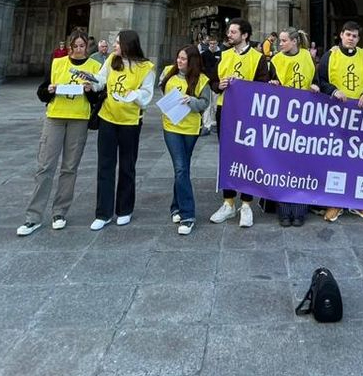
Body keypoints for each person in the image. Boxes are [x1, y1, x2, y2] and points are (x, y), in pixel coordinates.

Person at [17, 30, 103, 235]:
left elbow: (99, 98)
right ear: (69, 46)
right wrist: (50, 90)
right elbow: (41, 91)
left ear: (86, 47)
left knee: (69, 168)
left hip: (79, 119)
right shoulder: (57, 63)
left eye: (82, 46)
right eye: (75, 46)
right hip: (55, 117)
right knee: (45, 166)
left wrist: (91, 91)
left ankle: (60, 212)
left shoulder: (95, 67)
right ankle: (33, 216)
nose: (78, 49)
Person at [92, 29, 155, 230]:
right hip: (107, 118)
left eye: (118, 43)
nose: (114, 46)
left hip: (130, 122)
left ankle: (125, 209)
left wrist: (132, 94)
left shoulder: (146, 67)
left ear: (128, 44)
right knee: (105, 165)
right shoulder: (112, 60)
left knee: (127, 166)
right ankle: (103, 212)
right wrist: (90, 81)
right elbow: (101, 80)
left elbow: (146, 95)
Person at [317, 21, 363, 221]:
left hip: (360, 117)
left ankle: (358, 202)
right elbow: (320, 80)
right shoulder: (330, 55)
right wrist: (333, 91)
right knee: (335, 160)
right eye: (348, 34)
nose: (351, 38)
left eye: (354, 36)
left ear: (359, 39)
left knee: (358, 159)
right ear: (341, 35)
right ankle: (334, 203)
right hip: (336, 115)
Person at [210, 18, 269, 227]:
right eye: (229, 31)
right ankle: (228, 203)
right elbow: (213, 82)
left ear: (244, 35)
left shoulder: (258, 58)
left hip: (248, 113)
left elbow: (263, 85)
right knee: (227, 155)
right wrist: (220, 84)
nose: (229, 35)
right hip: (225, 109)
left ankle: (246, 204)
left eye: (233, 32)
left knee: (247, 155)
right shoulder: (224, 55)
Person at [159, 44, 212, 236]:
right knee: (180, 167)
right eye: (178, 58)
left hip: (190, 128)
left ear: (192, 62)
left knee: (183, 168)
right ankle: (188, 215)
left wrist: (191, 100)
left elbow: (205, 104)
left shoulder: (202, 80)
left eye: (183, 59)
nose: (179, 61)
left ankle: (176, 206)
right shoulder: (168, 73)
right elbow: (162, 90)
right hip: (171, 126)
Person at [269, 26, 320, 226]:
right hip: (284, 116)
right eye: (279, 41)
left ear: (294, 41)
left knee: (302, 164)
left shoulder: (308, 56)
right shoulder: (275, 61)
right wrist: (272, 86)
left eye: (283, 41)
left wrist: (315, 86)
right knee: (283, 164)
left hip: (305, 117)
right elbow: (267, 86)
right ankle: (283, 210)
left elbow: (315, 80)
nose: (280, 44)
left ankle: (299, 210)